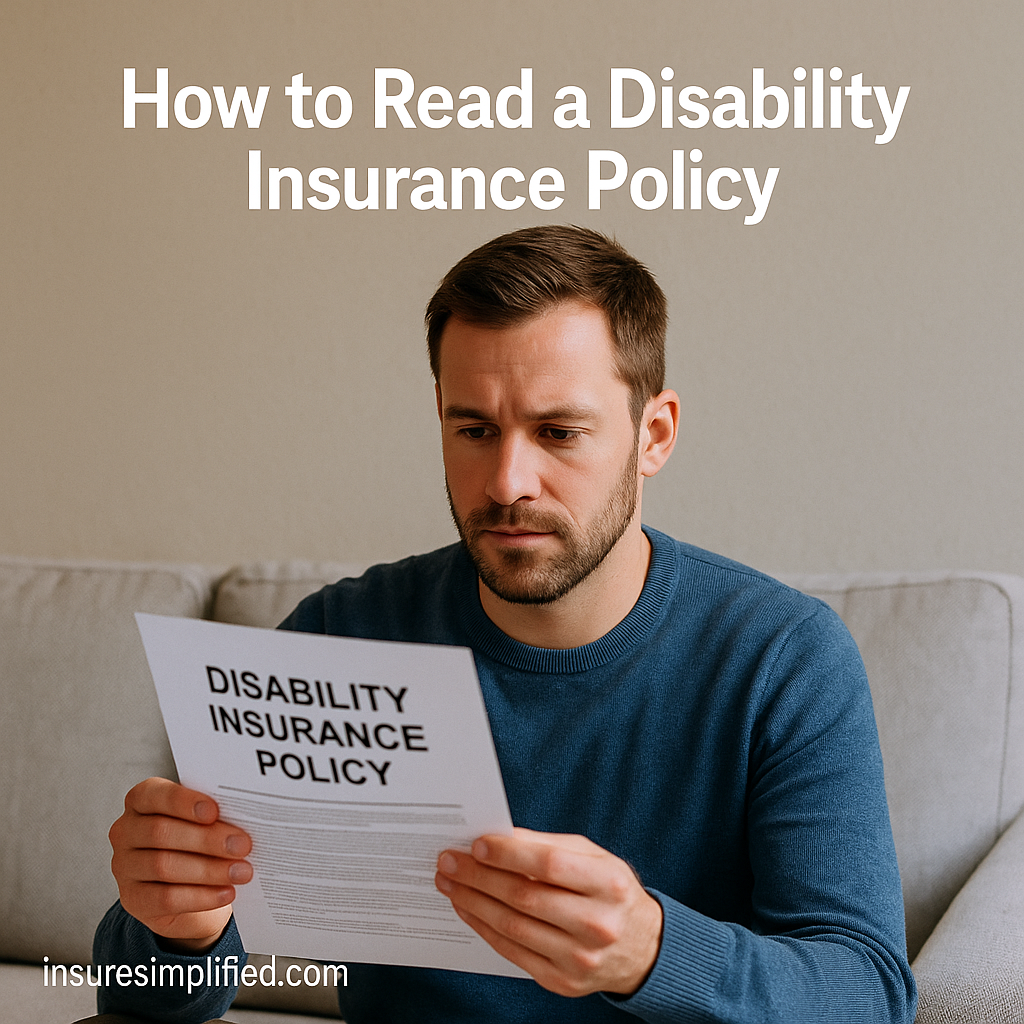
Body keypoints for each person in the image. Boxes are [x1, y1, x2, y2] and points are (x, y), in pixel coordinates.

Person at [95, 225, 917, 1022]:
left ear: (653, 434)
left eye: (559, 432)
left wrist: (651, 952)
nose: (506, 481)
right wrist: (173, 926)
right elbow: (146, 1002)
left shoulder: (781, 659)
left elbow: (868, 994)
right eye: (475, 431)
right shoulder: (340, 636)